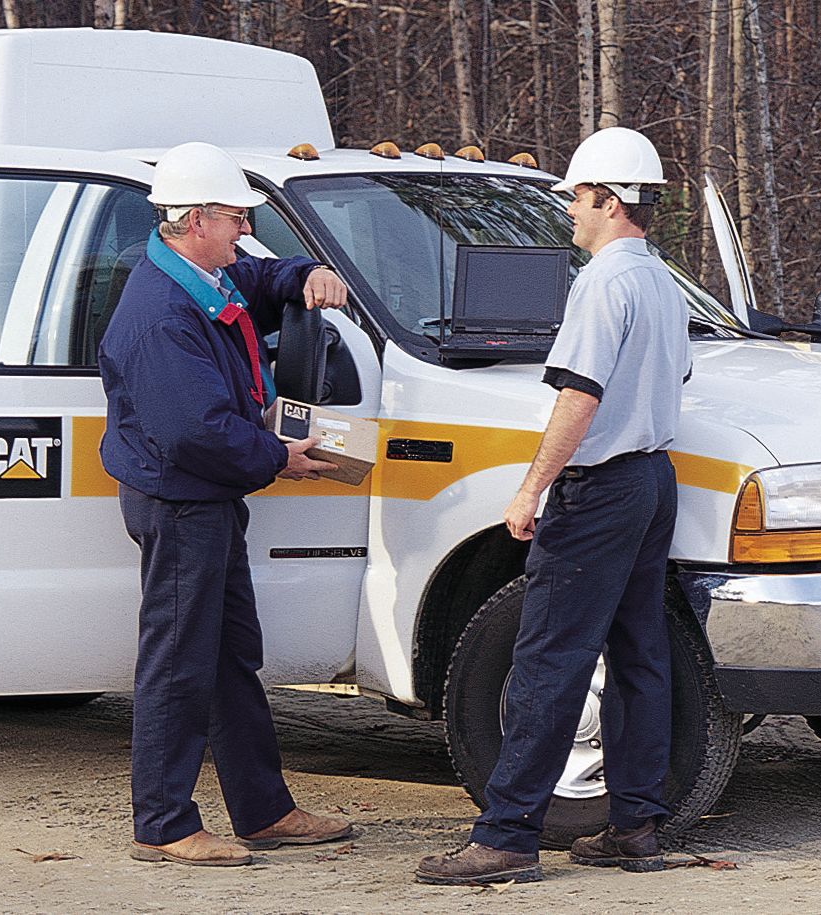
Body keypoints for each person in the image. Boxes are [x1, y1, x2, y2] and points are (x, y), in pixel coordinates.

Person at [416, 127, 692, 885]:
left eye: (575, 194)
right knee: (639, 654)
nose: (570, 208)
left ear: (608, 198)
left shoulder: (603, 282)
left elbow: (578, 394)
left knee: (547, 658)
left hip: (599, 488)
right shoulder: (661, 281)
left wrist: (532, 485)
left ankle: (505, 835)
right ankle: (635, 824)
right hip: (649, 480)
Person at [99, 141, 353, 867]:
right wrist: (280, 455)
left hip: (203, 501)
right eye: (237, 217)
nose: (245, 230)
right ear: (195, 218)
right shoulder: (162, 313)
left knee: (227, 655)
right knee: (179, 662)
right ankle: (162, 823)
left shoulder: (201, 275)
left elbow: (261, 277)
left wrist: (306, 274)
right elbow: (194, 433)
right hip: (182, 502)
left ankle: (263, 809)